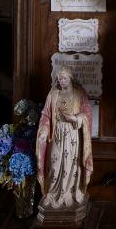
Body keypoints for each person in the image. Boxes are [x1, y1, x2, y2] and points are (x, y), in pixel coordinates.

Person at [36, 67, 93, 214]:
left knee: (71, 164)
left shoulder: (79, 93)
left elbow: (87, 111)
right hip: (57, 133)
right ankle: (52, 193)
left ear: (70, 78)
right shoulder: (53, 94)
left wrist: (75, 118)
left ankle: (70, 193)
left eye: (64, 78)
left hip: (73, 133)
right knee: (55, 163)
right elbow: (46, 115)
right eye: (60, 78)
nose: (62, 81)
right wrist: (44, 131)